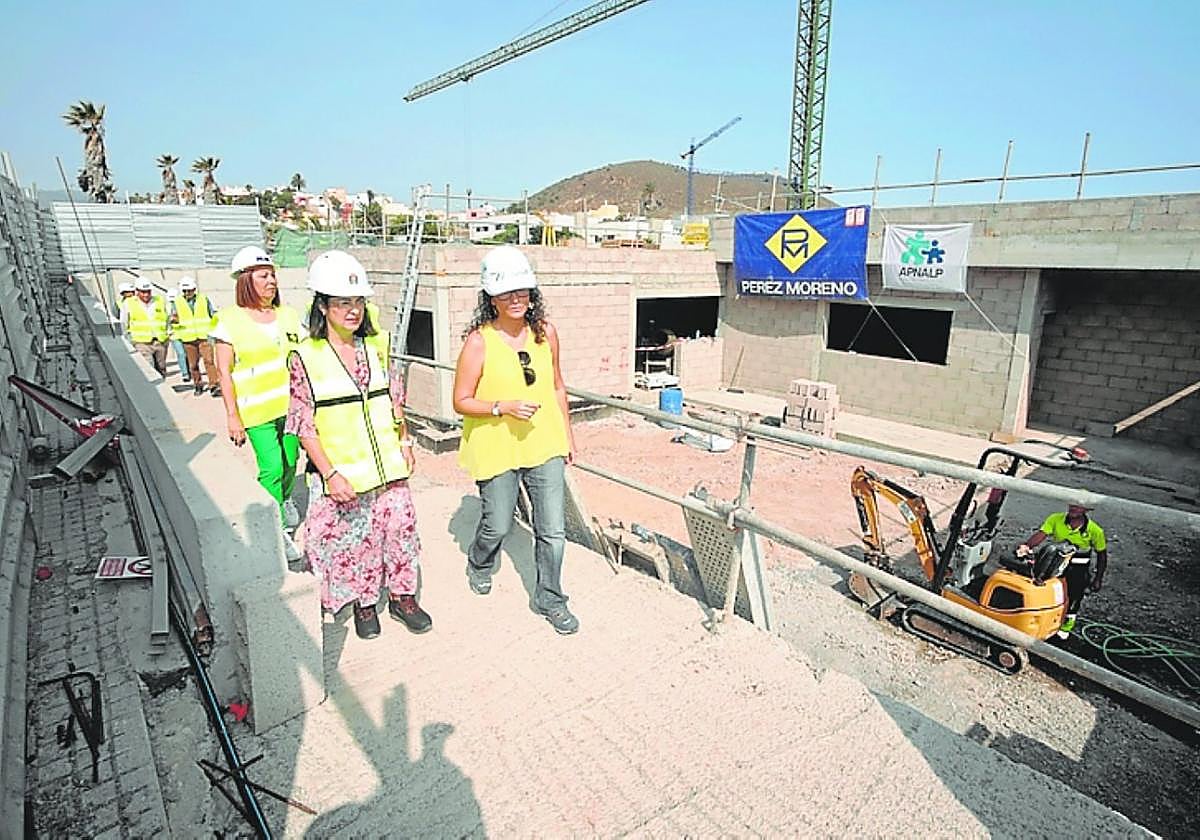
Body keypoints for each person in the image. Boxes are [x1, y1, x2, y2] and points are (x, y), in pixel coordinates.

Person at [287, 250, 431, 641]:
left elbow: (394, 399)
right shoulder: (306, 356)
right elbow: (302, 422)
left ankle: (403, 597)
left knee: (401, 532)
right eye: (343, 302)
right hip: (345, 472)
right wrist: (329, 473)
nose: (353, 310)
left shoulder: (375, 347)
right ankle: (365, 604)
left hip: (389, 467)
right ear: (323, 305)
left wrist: (404, 439)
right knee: (357, 541)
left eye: (358, 302)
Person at [452, 245, 579, 635]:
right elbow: (461, 400)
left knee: (553, 530)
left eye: (523, 291)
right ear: (491, 298)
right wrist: (501, 407)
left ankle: (550, 598)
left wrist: (567, 434)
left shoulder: (547, 334)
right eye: (507, 293)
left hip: (544, 444)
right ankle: (480, 560)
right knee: (499, 524)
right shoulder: (478, 342)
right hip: (496, 444)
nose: (517, 299)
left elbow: (557, 386)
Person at [213, 245, 303, 558]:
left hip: (291, 409)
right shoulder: (229, 321)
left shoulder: (288, 316)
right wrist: (232, 416)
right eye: (264, 276)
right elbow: (223, 372)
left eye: (273, 276)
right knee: (272, 467)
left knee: (291, 462)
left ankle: (286, 499)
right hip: (257, 411)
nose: (271, 282)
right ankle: (275, 527)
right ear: (245, 281)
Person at [1017, 503, 1108, 639]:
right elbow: (1041, 534)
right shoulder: (1055, 519)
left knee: (1074, 597)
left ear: (1085, 510)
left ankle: (1064, 631)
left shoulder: (1095, 531)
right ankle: (1045, 622)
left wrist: (1098, 578)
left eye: (1078, 506)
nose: (1073, 508)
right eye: (1072, 505)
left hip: (1078, 567)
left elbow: (1102, 555)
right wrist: (1027, 546)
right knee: (1048, 591)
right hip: (1056, 564)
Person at [171, 275, 220, 396]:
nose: (188, 293)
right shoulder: (177, 302)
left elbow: (212, 314)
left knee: (209, 361)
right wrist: (175, 324)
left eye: (190, 290)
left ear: (194, 289)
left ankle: (214, 385)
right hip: (188, 338)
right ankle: (197, 385)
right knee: (193, 365)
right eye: (185, 291)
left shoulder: (203, 299)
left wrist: (213, 331)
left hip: (204, 336)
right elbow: (174, 318)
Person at [120, 278, 169, 377]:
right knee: (149, 369)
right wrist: (127, 340)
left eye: (148, 292)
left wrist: (167, 335)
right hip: (141, 343)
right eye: (143, 292)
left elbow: (166, 318)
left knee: (161, 367)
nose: (146, 295)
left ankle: (163, 386)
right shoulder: (129, 303)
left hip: (160, 341)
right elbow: (124, 323)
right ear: (137, 291)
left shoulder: (159, 301)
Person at [166, 289, 190, 383]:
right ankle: (185, 373)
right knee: (181, 354)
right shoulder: (166, 308)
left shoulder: (183, 306)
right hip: (174, 334)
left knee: (187, 355)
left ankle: (189, 370)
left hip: (185, 333)